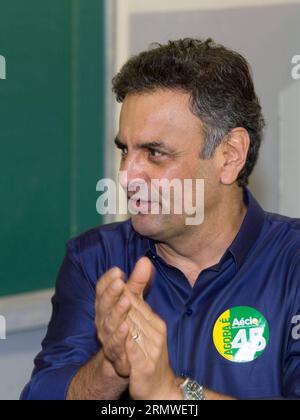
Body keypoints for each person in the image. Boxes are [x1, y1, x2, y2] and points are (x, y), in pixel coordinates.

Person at [21, 38, 300, 400]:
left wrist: (172, 392)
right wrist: (112, 366)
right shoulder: (96, 261)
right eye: (125, 150)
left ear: (229, 156)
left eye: (155, 153)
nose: (127, 176)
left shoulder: (291, 262)